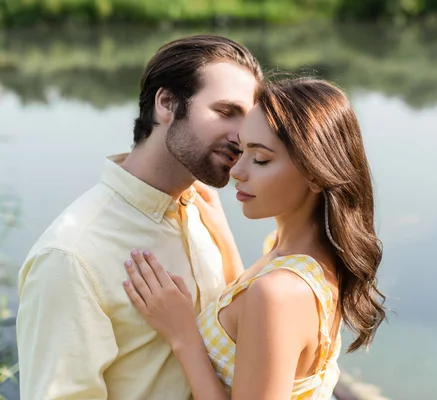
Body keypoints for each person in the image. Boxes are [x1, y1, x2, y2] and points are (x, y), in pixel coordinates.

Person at [16, 34, 263, 400]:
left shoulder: (202, 213)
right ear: (167, 103)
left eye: (249, 120)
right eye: (226, 113)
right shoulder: (71, 256)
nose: (241, 137)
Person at [122, 77, 387, 399]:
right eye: (241, 149)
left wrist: (183, 336)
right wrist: (222, 234)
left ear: (316, 174)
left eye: (261, 159)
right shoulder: (297, 252)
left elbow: (263, 306)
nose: (237, 171)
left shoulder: (279, 291)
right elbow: (248, 316)